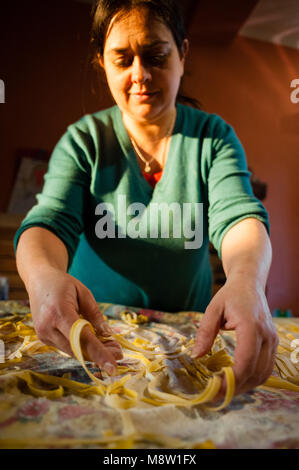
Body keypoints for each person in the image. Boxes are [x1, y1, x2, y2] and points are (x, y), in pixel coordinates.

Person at [14, 0, 278, 399]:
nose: (140, 75)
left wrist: (247, 280)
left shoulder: (213, 138)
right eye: (122, 60)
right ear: (101, 62)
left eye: (155, 56)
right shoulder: (84, 141)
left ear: (183, 53)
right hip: (97, 340)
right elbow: (49, 220)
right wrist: (42, 278)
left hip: (189, 342)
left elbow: (238, 216)